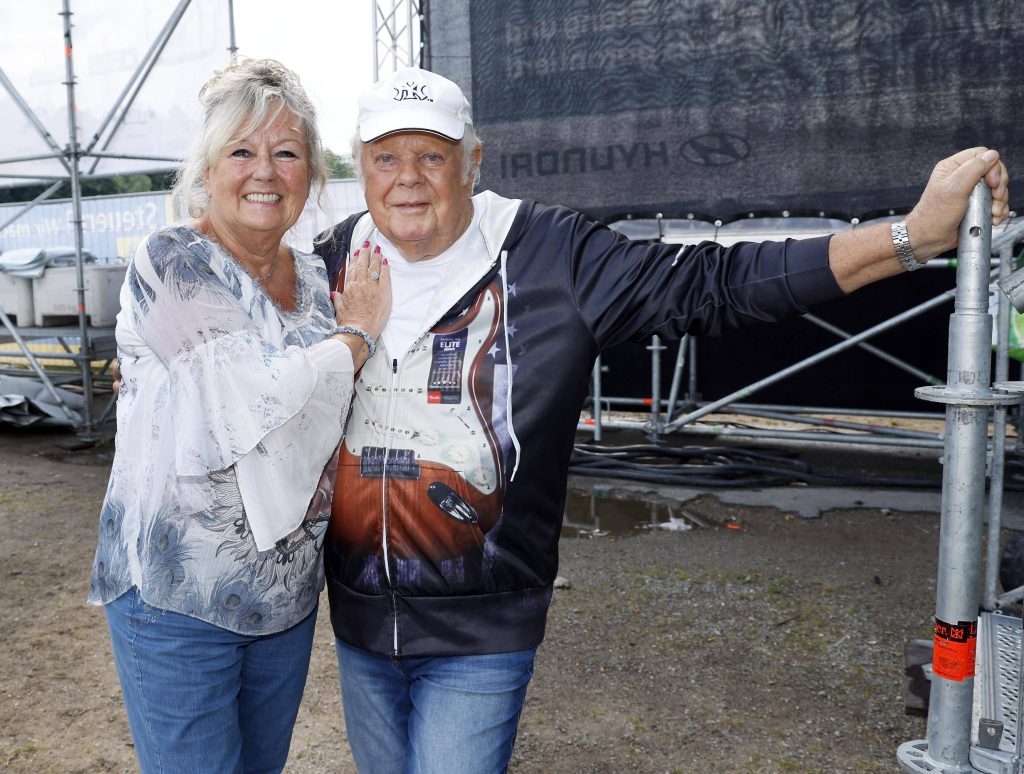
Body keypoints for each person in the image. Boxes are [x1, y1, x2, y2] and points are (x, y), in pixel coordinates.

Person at [314, 67, 1010, 773]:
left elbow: (720, 284)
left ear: (473, 162)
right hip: (359, 623)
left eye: (431, 156)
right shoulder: (332, 261)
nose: (407, 178)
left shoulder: (551, 254)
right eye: (385, 157)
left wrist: (912, 238)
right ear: (363, 166)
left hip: (481, 631)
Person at [88, 58, 391, 773]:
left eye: (287, 152)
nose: (266, 170)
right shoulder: (173, 260)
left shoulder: (320, 279)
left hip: (284, 598)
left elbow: (334, 412)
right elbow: (244, 402)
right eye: (243, 151)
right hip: (175, 597)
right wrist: (355, 338)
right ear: (208, 168)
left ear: (312, 173)